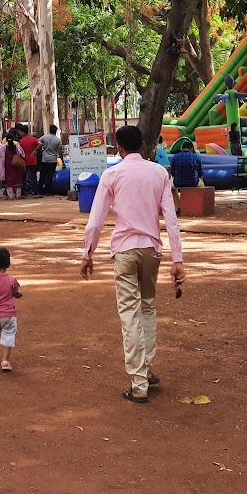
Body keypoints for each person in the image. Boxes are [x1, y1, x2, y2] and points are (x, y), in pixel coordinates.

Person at [79, 124, 186, 404]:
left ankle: (138, 382)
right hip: (152, 250)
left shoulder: (112, 174)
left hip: (125, 251)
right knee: (147, 307)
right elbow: (171, 219)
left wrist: (87, 253)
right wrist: (178, 260)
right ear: (143, 145)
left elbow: (96, 219)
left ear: (119, 146)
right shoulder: (159, 172)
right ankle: (146, 369)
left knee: (129, 313)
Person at [38, 123, 65, 197]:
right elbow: (60, 152)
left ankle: (39, 190)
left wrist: (40, 150)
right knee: (50, 176)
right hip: (53, 160)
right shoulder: (58, 140)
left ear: (49, 130)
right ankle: (48, 191)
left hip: (44, 159)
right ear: (56, 131)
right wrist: (62, 162)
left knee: (42, 175)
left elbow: (38, 142)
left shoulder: (44, 137)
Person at [18, 125, 41, 196]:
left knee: (23, 177)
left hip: (25, 161)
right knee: (33, 176)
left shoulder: (21, 141)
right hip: (33, 160)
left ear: (23, 132)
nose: (19, 133)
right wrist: (35, 150)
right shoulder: (33, 139)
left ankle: (23, 192)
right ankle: (35, 192)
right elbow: (40, 143)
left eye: (20, 132)